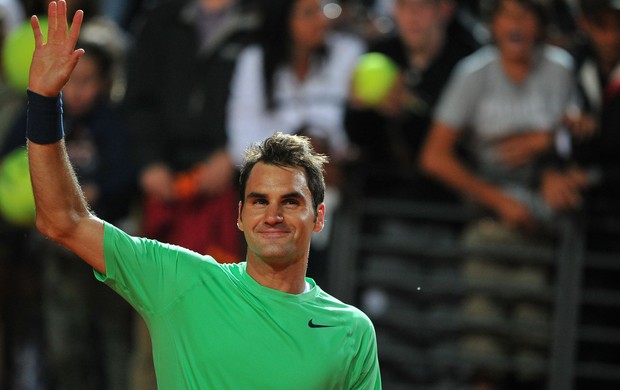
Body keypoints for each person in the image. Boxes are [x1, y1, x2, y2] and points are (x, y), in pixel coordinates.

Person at [25, 2, 382, 389]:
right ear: (240, 214)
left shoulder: (351, 329)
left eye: (291, 202)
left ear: (319, 217)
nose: (273, 214)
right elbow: (63, 219)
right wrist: (44, 103)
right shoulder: (180, 281)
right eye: (260, 201)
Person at [419, 0, 580, 387]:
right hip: (489, 224)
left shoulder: (561, 69)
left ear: (540, 23)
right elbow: (434, 156)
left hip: (545, 229)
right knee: (483, 338)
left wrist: (546, 141)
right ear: (493, 24)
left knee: (534, 341)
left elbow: (580, 132)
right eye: (507, 13)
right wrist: (497, 200)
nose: (516, 23)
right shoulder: (474, 73)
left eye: (525, 13)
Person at [2, 37, 137, 389]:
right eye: (71, 79)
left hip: (110, 245)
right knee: (64, 340)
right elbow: (12, 162)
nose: (76, 90)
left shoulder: (111, 122)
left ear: (106, 83)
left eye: (87, 80)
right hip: (56, 249)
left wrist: (98, 190)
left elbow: (126, 172)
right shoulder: (38, 115)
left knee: (113, 335)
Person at [226, 0, 366, 284]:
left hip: (332, 193)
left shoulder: (348, 53)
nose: (322, 20)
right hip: (270, 190)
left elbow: (349, 131)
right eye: (308, 13)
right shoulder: (255, 60)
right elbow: (240, 143)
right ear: (284, 18)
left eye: (325, 9)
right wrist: (304, 151)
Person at [344, 0, 481, 200]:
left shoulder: (468, 61)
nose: (412, 17)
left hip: (448, 193)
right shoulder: (379, 53)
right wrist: (359, 107)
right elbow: (355, 135)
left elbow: (469, 135)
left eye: (421, 7)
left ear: (444, 9)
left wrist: (410, 106)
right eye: (404, 7)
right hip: (381, 188)